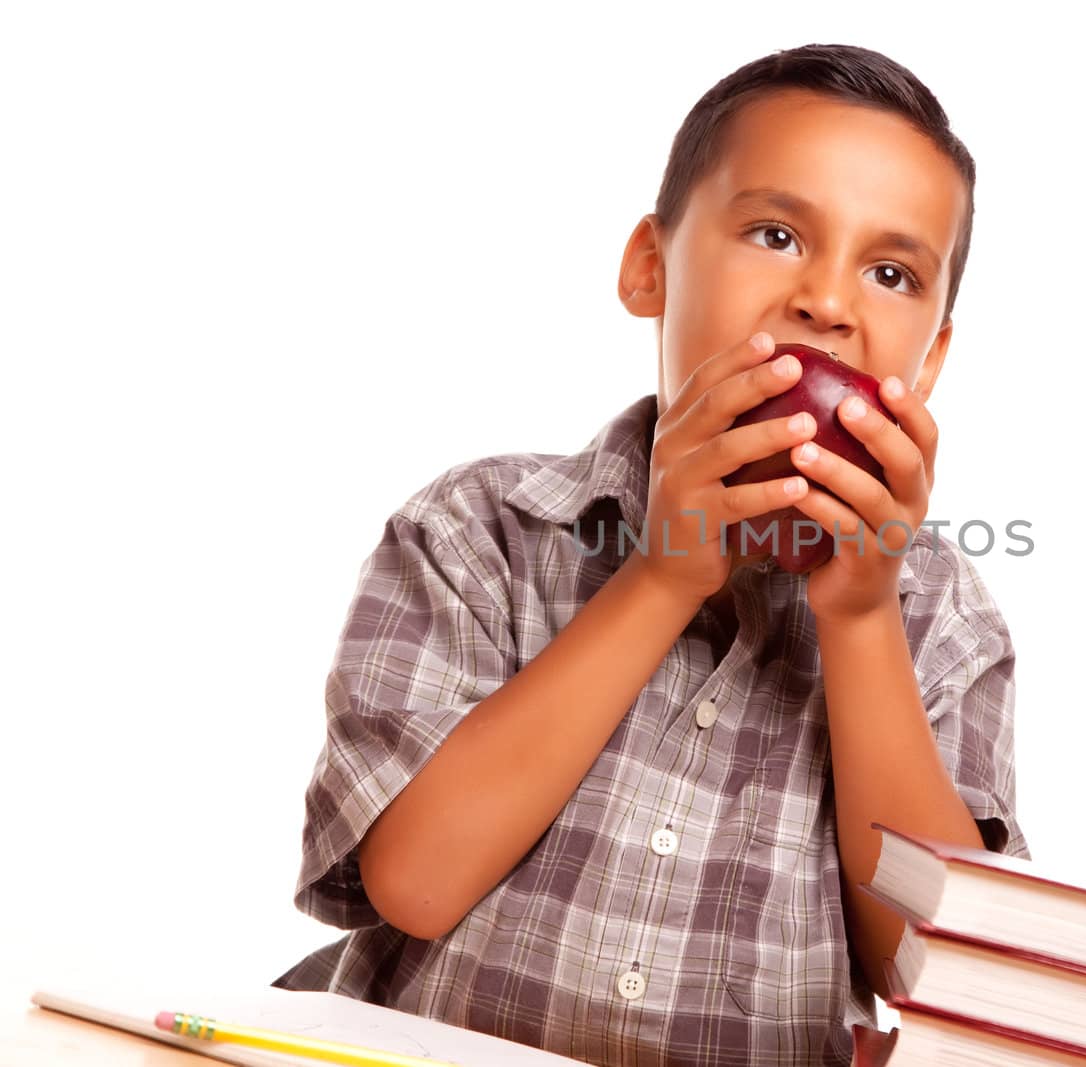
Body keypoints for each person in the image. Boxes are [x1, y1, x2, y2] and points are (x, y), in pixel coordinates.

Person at [273, 42, 1028, 1067]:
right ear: (650, 268)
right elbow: (416, 880)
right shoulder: (479, 525)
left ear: (929, 356)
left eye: (891, 273)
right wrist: (664, 572)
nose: (828, 302)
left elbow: (936, 971)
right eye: (775, 232)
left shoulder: (942, 619)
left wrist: (859, 623)